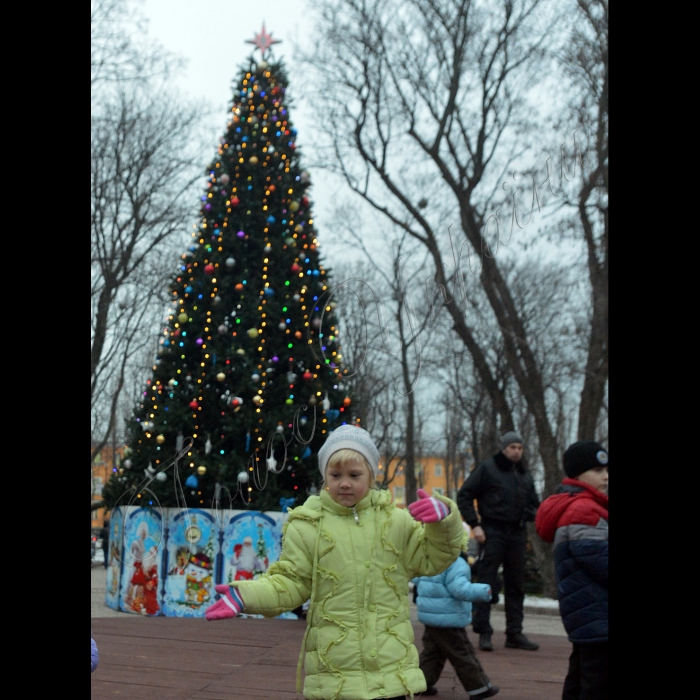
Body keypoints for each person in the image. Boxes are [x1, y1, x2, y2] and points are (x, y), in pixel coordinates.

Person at [205, 424, 464, 700]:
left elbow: (433, 557)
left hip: (392, 673)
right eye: (335, 474)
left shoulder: (395, 522)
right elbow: (290, 582)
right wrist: (245, 595)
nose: (344, 482)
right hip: (334, 676)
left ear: (372, 476)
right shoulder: (308, 525)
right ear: (325, 476)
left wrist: (444, 522)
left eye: (354, 475)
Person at [535, 441, 608, 700]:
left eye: (606, 469)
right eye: (598, 470)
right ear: (577, 475)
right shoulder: (584, 510)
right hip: (597, 612)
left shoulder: (586, 506)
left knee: (581, 676)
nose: (606, 476)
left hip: (588, 612)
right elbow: (601, 561)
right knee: (596, 684)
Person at [456, 431, 540, 652]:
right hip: (492, 531)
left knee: (516, 584)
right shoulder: (488, 468)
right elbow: (464, 495)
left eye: (520, 448)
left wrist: (531, 514)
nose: (516, 451)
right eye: (512, 447)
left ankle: (514, 633)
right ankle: (484, 631)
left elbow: (534, 503)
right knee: (486, 582)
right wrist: (475, 524)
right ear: (504, 448)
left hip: (517, 534)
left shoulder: (524, 474)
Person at [413, 526, 500, 699]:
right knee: (463, 654)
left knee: (432, 653)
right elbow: (459, 589)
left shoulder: (429, 559)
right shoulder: (456, 563)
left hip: (431, 616)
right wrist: (483, 591)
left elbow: (416, 578)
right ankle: (479, 687)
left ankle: (420, 684)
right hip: (448, 618)